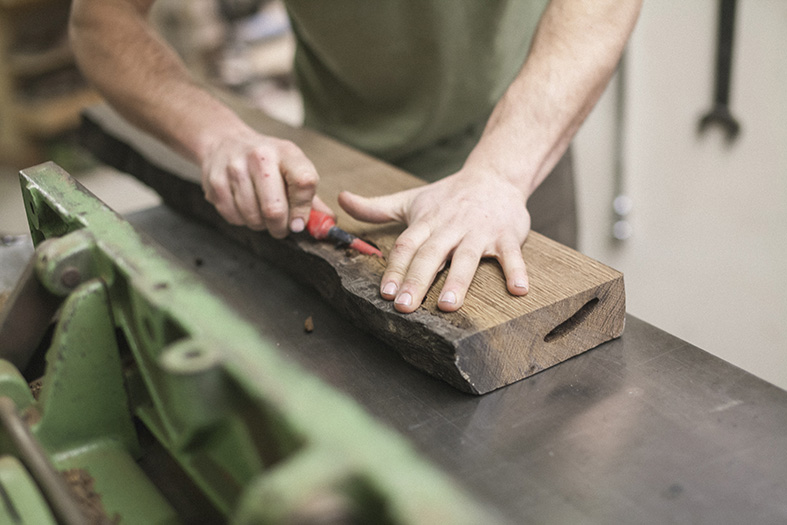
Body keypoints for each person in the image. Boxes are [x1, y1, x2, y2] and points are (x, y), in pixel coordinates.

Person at [69, 0, 641, 314]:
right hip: (340, 157)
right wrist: (218, 137)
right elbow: (101, 21)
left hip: (520, 141)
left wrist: (499, 172)